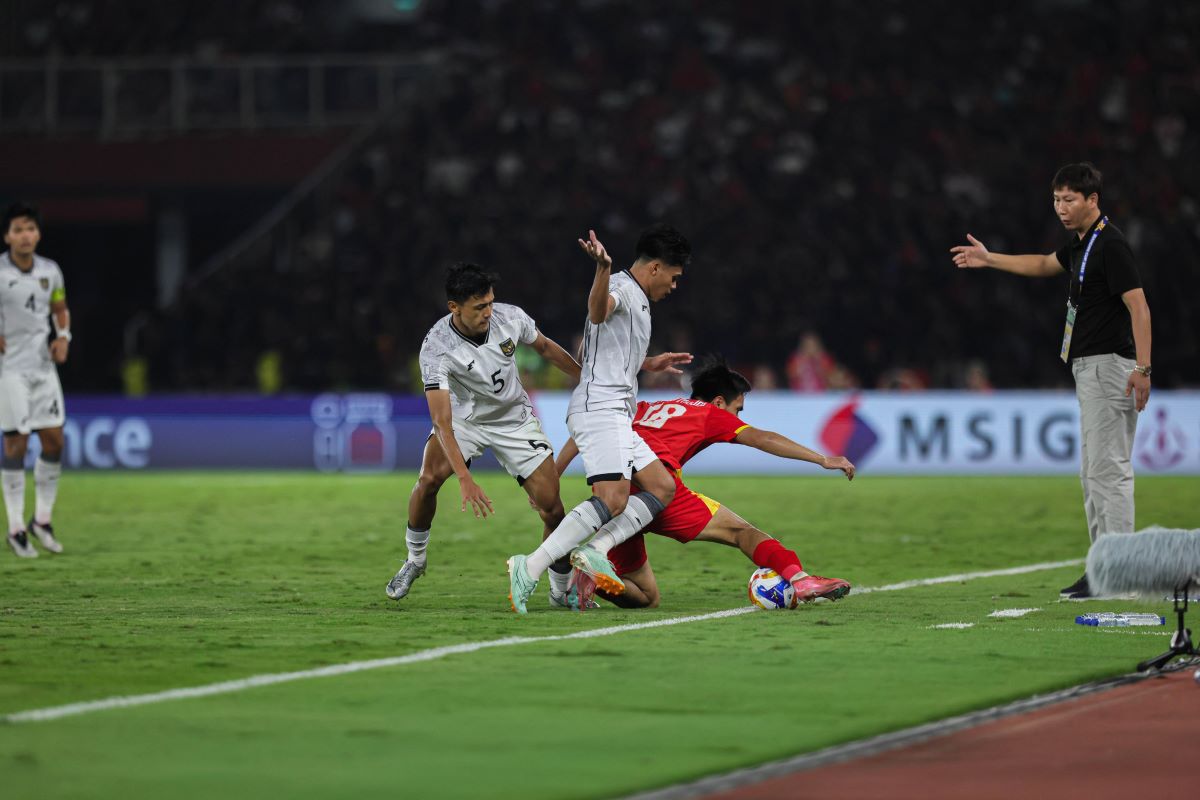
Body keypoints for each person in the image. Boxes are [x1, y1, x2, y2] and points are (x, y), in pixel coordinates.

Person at [951, 162, 1152, 599]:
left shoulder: (1110, 244)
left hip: (1109, 367)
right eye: (1056, 200)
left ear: (1092, 200)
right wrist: (989, 258)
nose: (1060, 208)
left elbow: (1139, 306)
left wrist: (1143, 368)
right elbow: (1044, 263)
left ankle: (1123, 572)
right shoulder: (1082, 243)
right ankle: (1104, 569)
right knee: (1093, 475)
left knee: (1109, 473)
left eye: (1069, 200)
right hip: (1091, 367)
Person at [557, 358, 854, 608]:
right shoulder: (709, 412)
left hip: (615, 493)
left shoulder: (646, 407)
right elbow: (763, 438)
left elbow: (587, 430)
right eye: (737, 409)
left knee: (648, 597)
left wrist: (555, 473)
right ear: (719, 401)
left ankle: (588, 577)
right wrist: (821, 459)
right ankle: (800, 579)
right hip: (659, 490)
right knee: (743, 532)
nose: (737, 417)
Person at [506, 225, 693, 613]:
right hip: (601, 409)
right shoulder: (621, 288)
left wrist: (646, 363)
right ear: (655, 268)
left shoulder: (639, 299)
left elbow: (602, 352)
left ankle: (595, 549)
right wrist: (602, 268)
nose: (674, 286)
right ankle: (531, 565)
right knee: (612, 498)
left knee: (662, 486)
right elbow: (597, 311)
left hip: (614, 411)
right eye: (674, 277)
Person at [386, 263, 586, 608]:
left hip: (514, 420)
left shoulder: (510, 318)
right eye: (479, 307)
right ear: (454, 307)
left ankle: (560, 591)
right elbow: (441, 422)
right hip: (465, 419)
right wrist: (464, 478)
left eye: (490, 303)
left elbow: (545, 348)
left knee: (552, 507)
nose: (489, 312)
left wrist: (586, 378)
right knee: (428, 479)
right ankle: (415, 560)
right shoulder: (437, 347)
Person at [1, 202, 70, 559]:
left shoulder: (50, 271)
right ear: (7, 236)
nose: (25, 236)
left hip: (43, 368)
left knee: (54, 441)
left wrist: (64, 337)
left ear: (38, 234)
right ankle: (15, 528)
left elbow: (59, 308)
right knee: (17, 443)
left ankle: (41, 520)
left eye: (30, 228)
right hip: (10, 369)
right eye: (18, 230)